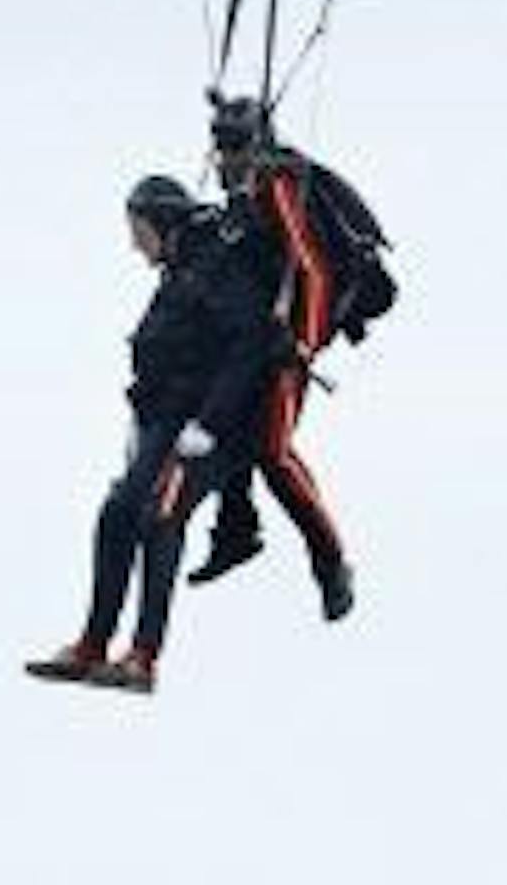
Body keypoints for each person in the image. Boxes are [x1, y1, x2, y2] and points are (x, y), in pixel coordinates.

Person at [23, 171, 272, 696]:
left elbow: (249, 346)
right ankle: (93, 645)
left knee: (160, 516)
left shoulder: (218, 267)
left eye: (138, 229)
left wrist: (208, 425)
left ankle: (143, 656)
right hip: (163, 421)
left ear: (161, 223)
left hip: (210, 428)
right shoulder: (182, 269)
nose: (134, 243)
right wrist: (141, 425)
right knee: (118, 513)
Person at [185, 95, 356, 620]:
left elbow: (312, 268)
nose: (224, 158)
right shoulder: (242, 194)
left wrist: (302, 344)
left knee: (273, 451)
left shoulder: (275, 185)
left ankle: (330, 560)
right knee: (229, 425)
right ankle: (237, 532)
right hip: (253, 340)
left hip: (285, 346)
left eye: (234, 147)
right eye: (220, 147)